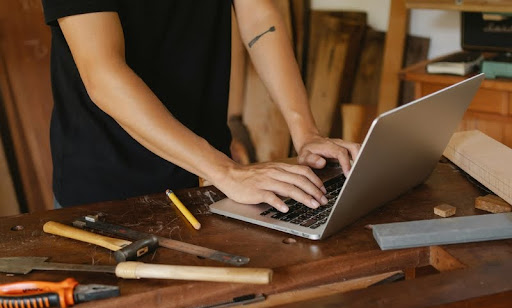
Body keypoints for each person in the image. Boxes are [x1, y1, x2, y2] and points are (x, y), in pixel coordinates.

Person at [42, 0, 360, 213]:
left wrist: (306, 133)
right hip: (107, 187)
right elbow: (103, 72)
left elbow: (259, 16)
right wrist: (226, 171)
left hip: (203, 177)